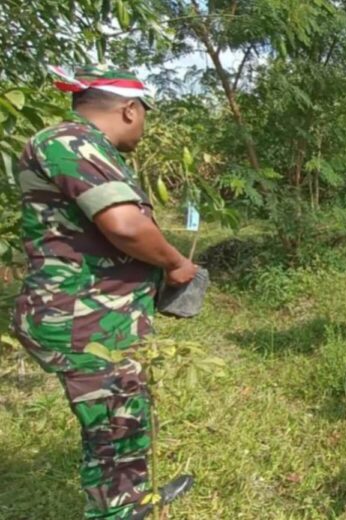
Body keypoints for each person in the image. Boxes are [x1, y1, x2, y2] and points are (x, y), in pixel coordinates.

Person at [11, 65, 197, 520]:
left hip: (100, 314)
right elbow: (125, 225)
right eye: (146, 115)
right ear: (130, 110)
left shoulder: (82, 146)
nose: (145, 126)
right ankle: (120, 511)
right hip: (85, 319)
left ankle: (130, 501)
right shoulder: (70, 143)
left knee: (116, 425)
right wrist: (175, 264)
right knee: (116, 428)